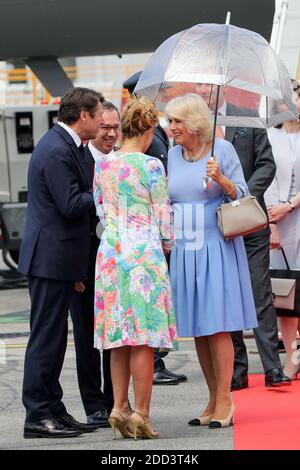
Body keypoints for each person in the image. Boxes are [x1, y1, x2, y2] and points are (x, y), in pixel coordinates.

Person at [165, 93, 257, 428]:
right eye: (170, 120)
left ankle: (225, 400)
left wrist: (221, 180)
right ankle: (211, 396)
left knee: (217, 326)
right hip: (184, 250)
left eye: (177, 121)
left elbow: (244, 197)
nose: (171, 127)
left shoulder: (223, 150)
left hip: (215, 246)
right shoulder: (173, 155)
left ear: (195, 124)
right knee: (199, 329)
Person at [18, 87, 104, 438]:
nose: (101, 121)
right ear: (83, 115)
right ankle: (38, 414)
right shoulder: (56, 149)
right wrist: (107, 191)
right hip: (49, 259)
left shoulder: (72, 147)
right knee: (46, 338)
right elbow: (70, 204)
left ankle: (54, 407)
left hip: (62, 260)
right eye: (98, 114)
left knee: (54, 340)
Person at [195, 83, 291, 389]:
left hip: (249, 219)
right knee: (227, 294)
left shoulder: (248, 118)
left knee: (259, 292)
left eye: (208, 84)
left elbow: (267, 164)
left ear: (222, 87)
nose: (204, 89)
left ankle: (272, 368)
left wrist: (243, 193)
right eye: (199, 84)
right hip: (217, 226)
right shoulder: (195, 126)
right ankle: (237, 369)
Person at [93, 96, 177, 439]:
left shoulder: (103, 166)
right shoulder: (151, 166)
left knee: (118, 339)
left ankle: (118, 407)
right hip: (143, 257)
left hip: (111, 255)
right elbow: (164, 219)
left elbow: (100, 210)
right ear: (147, 129)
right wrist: (168, 243)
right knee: (142, 339)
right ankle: (141, 413)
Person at [123, 71, 187, 386]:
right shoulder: (144, 140)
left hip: (133, 236)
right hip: (148, 232)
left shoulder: (154, 131)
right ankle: (155, 363)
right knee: (149, 302)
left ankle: (157, 360)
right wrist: (166, 240)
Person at [69, 101, 121, 428]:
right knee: (87, 335)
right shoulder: (80, 160)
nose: (111, 133)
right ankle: (93, 404)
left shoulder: (123, 162)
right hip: (85, 263)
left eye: (116, 127)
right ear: (92, 126)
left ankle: (116, 401)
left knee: (114, 336)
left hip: (117, 261)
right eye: (105, 127)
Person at [265, 79, 300, 380]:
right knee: (285, 292)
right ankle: (292, 356)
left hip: (296, 213)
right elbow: (267, 178)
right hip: (277, 221)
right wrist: (273, 220)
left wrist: (290, 205)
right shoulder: (270, 137)